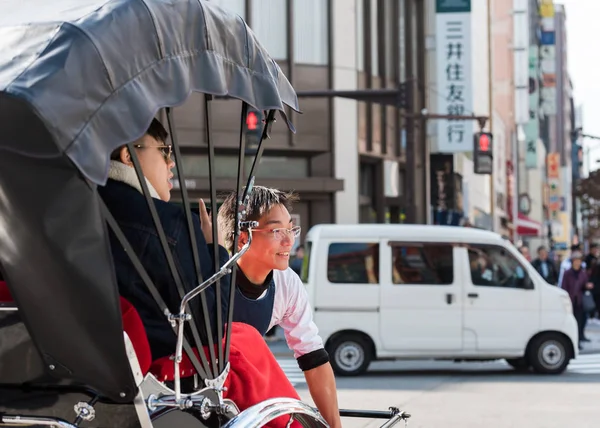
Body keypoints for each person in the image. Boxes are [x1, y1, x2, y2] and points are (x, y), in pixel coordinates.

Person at [98, 118, 231, 361]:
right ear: (128, 156)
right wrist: (217, 250)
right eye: (164, 151)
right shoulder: (171, 223)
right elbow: (209, 329)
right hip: (156, 376)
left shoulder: (65, 214)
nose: (171, 164)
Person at [218, 186, 342, 428]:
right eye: (276, 230)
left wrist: (334, 426)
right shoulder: (212, 276)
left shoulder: (286, 283)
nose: (289, 241)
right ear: (243, 237)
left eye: (291, 229)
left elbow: (313, 358)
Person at [561, 251, 594, 349]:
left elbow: (584, 285)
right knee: (570, 323)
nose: (577, 263)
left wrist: (587, 286)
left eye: (579, 261)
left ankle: (578, 341)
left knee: (579, 322)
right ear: (572, 261)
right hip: (570, 301)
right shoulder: (567, 273)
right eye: (576, 260)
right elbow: (564, 286)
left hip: (579, 301)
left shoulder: (582, 273)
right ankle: (571, 342)